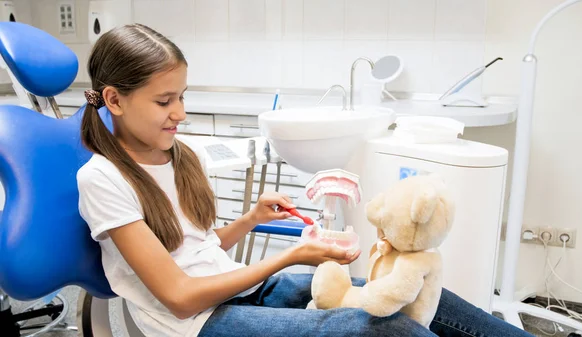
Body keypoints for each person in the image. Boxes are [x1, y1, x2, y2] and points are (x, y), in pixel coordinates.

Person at [76, 23, 533, 337]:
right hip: (196, 324)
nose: (180, 112)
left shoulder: (177, 153)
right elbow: (178, 294)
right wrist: (290, 257)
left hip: (239, 290)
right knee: (375, 328)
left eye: (182, 96)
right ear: (115, 100)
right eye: (164, 101)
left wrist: (251, 220)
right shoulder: (102, 180)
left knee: (406, 286)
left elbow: (193, 248)